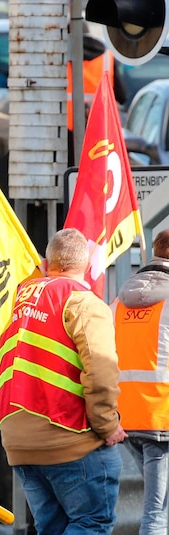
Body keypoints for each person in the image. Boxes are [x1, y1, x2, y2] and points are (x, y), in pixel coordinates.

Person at [0, 228, 126, 535]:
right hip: (69, 437)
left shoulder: (20, 301)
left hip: (19, 442)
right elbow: (101, 371)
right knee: (92, 522)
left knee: (51, 527)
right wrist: (108, 426)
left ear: (45, 264)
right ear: (89, 266)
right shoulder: (85, 303)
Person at [111, 228, 169, 535]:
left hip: (128, 417)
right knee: (156, 514)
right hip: (162, 417)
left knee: (159, 507)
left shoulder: (120, 300)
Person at [66, 33, 127, 165]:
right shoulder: (107, 57)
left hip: (67, 131)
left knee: (70, 177)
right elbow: (123, 97)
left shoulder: (62, 58)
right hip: (101, 128)